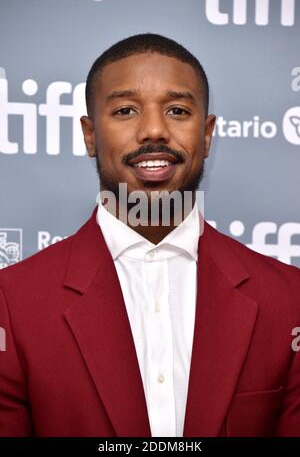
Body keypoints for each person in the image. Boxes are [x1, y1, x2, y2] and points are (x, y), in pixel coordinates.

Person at [0, 33, 300, 437]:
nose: (154, 130)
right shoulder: (13, 302)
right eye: (125, 110)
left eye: (177, 110)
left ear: (207, 134)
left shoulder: (287, 299)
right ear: (90, 135)